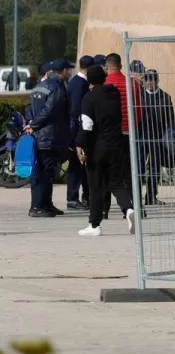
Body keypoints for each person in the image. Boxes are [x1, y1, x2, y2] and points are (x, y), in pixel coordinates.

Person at [77, 64, 134, 236]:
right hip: (116, 144)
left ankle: (95, 225)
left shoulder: (89, 98)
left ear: (90, 81)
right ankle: (128, 208)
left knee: (95, 186)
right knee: (116, 182)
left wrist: (79, 144)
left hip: (97, 148)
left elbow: (87, 126)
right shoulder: (114, 95)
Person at [23, 60, 70, 218]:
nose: (68, 73)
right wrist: (34, 124)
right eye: (67, 70)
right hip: (48, 135)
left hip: (39, 135)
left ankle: (46, 204)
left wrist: (30, 122)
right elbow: (50, 110)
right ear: (63, 71)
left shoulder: (39, 86)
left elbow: (28, 106)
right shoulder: (56, 87)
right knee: (42, 172)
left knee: (47, 171)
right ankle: (36, 206)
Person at [138, 69, 175, 206]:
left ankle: (151, 196)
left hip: (157, 137)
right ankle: (136, 197)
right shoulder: (139, 96)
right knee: (139, 168)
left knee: (155, 168)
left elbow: (170, 119)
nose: (150, 83)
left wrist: (170, 136)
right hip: (141, 137)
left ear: (157, 81)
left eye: (152, 80)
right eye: (147, 80)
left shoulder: (165, 97)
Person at [66, 55, 93, 210]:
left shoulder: (78, 82)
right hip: (77, 130)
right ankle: (72, 198)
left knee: (80, 165)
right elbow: (76, 110)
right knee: (76, 165)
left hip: (76, 128)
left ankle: (79, 197)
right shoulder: (79, 84)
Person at [102, 54, 141, 141]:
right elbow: (139, 108)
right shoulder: (133, 84)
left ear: (106, 67)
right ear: (120, 66)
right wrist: (134, 123)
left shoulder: (104, 84)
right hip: (130, 129)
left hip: (110, 130)